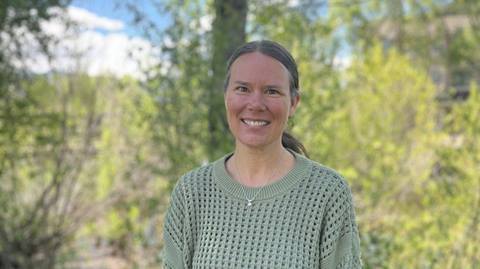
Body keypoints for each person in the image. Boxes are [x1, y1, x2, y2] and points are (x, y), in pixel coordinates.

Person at [162, 40, 362, 268]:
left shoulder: (327, 193)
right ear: (226, 96)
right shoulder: (191, 192)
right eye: (243, 89)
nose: (256, 103)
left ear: (294, 103)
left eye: (272, 91)